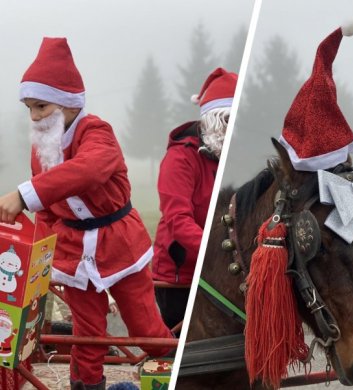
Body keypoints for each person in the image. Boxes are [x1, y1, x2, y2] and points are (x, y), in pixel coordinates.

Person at [0, 37, 172, 389]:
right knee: (88, 332)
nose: (34, 117)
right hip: (75, 252)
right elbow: (47, 212)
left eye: (41, 106)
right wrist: (44, 255)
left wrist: (23, 194)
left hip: (119, 244)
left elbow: (89, 169)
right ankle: (86, 384)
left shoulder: (98, 134)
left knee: (144, 326)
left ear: (67, 104)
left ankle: (168, 374)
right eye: (29, 108)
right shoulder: (42, 149)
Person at [151, 68, 237, 330]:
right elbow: (178, 220)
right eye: (226, 121)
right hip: (180, 278)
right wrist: (220, 252)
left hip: (222, 274)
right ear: (210, 120)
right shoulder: (180, 160)